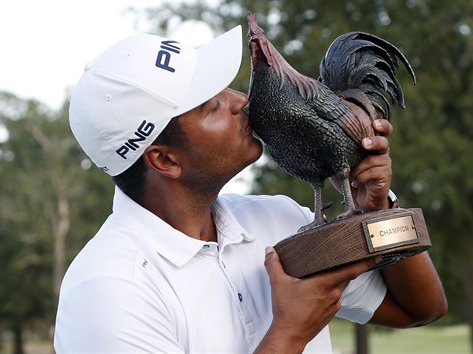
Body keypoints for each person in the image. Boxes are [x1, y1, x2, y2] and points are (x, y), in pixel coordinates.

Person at [54, 24, 447, 353]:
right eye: (212, 105)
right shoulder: (108, 290)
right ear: (165, 160)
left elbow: (420, 309)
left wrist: (376, 212)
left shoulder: (278, 219)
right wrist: (290, 332)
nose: (241, 101)